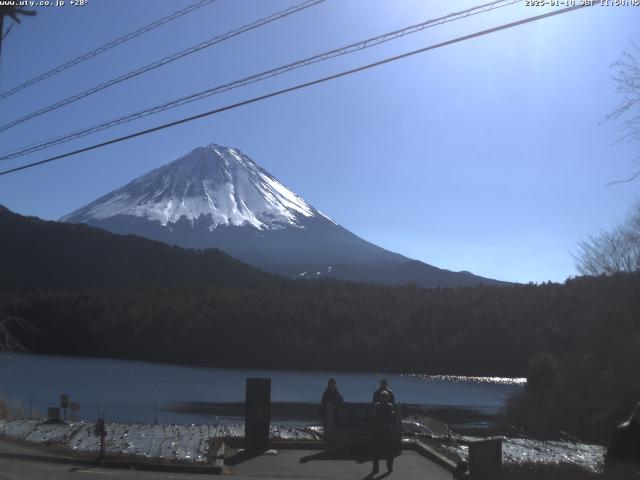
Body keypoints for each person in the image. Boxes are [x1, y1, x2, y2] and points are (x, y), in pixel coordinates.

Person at [605, 402, 640, 479]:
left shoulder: (620, 429)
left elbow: (609, 456)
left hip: (615, 469)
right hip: (630, 471)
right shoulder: (634, 432)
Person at [372, 390, 395, 474]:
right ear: (388, 398)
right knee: (389, 450)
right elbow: (391, 417)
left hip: (378, 429)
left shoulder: (376, 406)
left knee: (376, 450)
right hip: (388, 429)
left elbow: (373, 416)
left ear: (380, 398)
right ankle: (389, 467)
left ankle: (375, 469)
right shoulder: (390, 406)